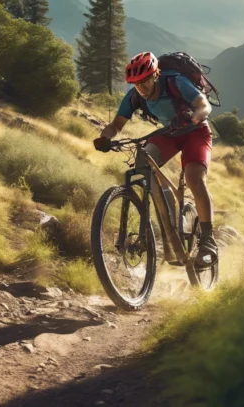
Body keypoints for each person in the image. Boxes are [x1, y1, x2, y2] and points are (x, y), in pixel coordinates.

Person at [93, 52, 218, 268]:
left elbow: (204, 104)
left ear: (155, 75)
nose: (140, 87)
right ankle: (167, 219)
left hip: (196, 131)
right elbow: (116, 125)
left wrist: (198, 114)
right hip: (170, 133)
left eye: (144, 81)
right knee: (143, 164)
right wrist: (105, 138)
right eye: (135, 83)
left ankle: (208, 241)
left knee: (194, 178)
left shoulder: (175, 82)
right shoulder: (134, 97)